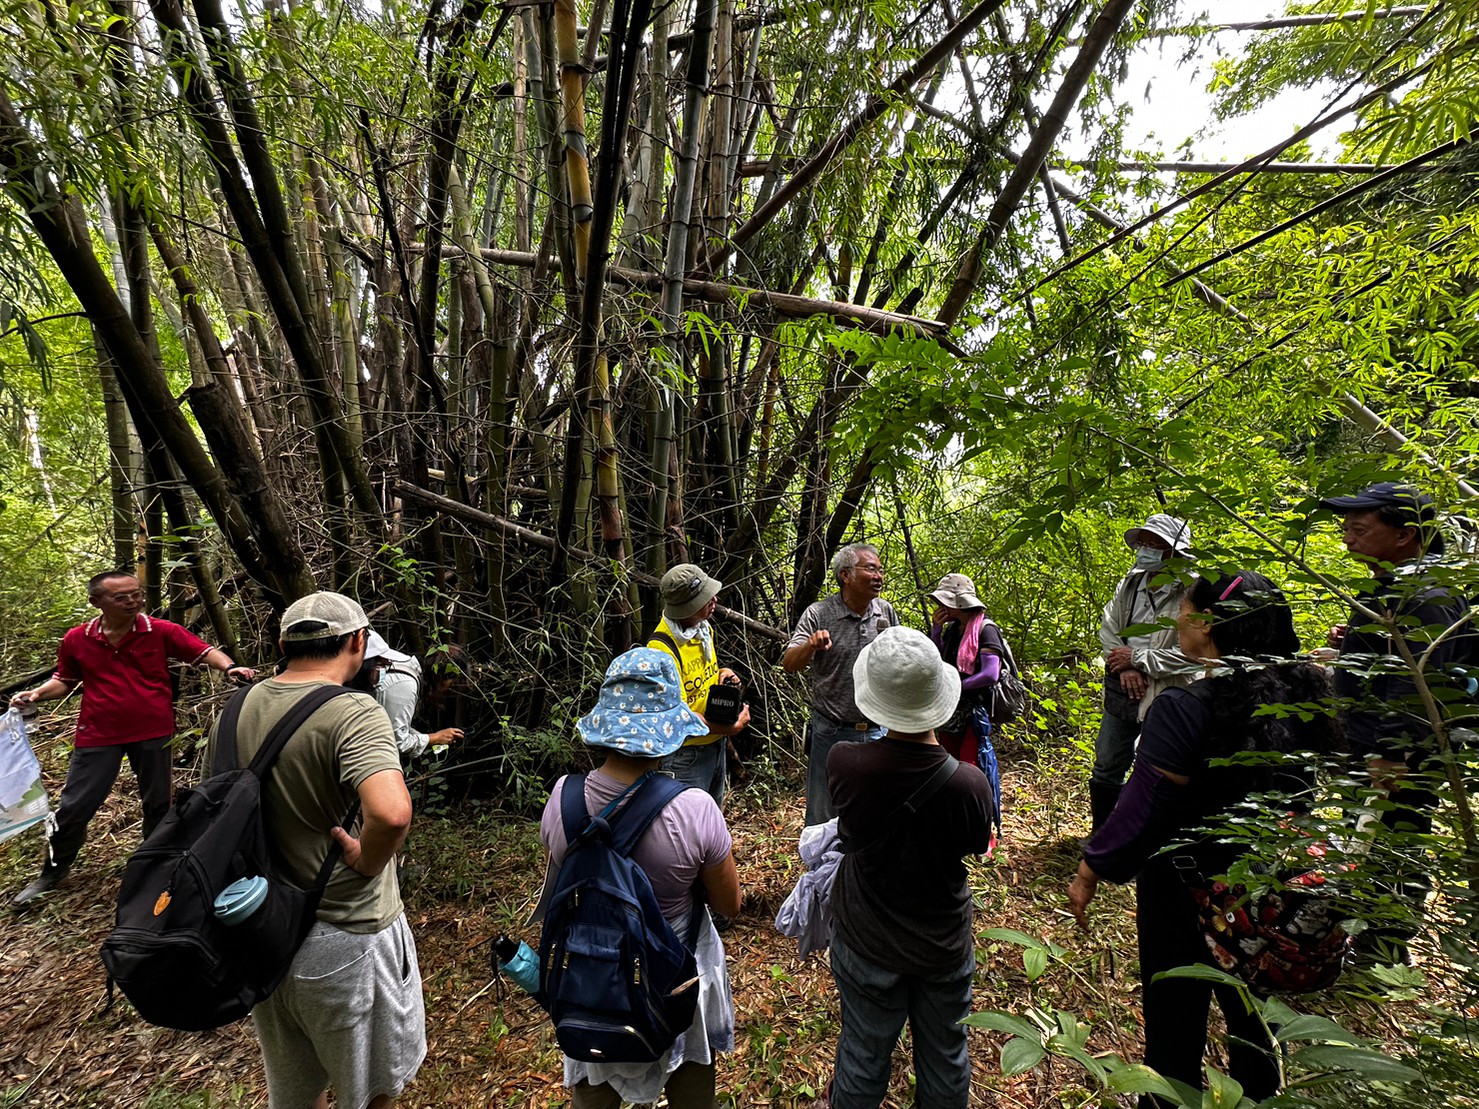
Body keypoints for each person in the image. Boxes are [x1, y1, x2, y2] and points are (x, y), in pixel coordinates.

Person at [1067, 571, 1338, 1105]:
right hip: (1271, 889)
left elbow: (1143, 804)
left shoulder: (1185, 707)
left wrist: (1091, 868)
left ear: (1209, 624)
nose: (1177, 620)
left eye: (1185, 610)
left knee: (1174, 1019)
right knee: (1255, 1022)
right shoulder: (1303, 696)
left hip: (1184, 889)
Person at [207, 591, 424, 1109]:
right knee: (370, 1089)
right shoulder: (353, 712)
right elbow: (392, 813)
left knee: (298, 1090)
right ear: (358, 641)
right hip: (346, 933)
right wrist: (367, 860)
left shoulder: (236, 709)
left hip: (262, 930)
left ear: (283, 645)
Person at [539, 648, 741, 1108]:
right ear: (668, 730)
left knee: (594, 1093)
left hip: (590, 979)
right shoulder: (695, 809)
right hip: (675, 980)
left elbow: (560, 888)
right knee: (692, 1087)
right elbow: (729, 905)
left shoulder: (562, 799)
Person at [7, 569, 255, 906]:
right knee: (74, 807)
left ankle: (154, 869)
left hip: (153, 731)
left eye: (136, 594)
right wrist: (37, 694)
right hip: (98, 733)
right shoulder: (77, 639)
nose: (132, 601)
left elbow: (204, 651)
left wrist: (229, 667)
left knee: (158, 804)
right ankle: (52, 872)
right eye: (121, 597)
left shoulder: (160, 630)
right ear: (96, 602)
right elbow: (65, 680)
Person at [825, 626, 995, 1109]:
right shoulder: (969, 785)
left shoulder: (845, 762)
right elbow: (974, 845)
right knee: (946, 1060)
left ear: (874, 698)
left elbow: (850, 829)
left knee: (862, 1058)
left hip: (867, 935)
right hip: (941, 940)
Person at [1317, 482, 1470, 952]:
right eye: (1345, 529)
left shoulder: (1426, 593)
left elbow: (1418, 680)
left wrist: (1392, 753)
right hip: (1372, 747)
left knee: (1391, 846)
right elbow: (1397, 661)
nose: (1348, 539)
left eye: (1360, 529)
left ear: (1405, 535)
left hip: (1400, 756)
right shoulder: (1395, 587)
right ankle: (1356, 941)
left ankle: (1384, 953)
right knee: (1365, 840)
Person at [1090, 514, 1195, 832]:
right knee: (1107, 761)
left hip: (1169, 692)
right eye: (1143, 542)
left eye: (1155, 543)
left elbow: (1195, 654)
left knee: (1157, 768)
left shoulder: (1193, 591)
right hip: (1123, 684)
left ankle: (1144, 837)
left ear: (1175, 550)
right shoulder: (1132, 582)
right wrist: (1125, 667)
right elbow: (1109, 628)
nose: (1145, 549)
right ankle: (1102, 834)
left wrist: (1139, 660)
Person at [782, 543, 899, 825]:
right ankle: (823, 856)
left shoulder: (885, 612)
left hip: (878, 730)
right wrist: (810, 645)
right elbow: (789, 663)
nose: (879, 576)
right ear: (845, 575)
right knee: (824, 814)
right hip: (831, 731)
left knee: (876, 811)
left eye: (881, 570)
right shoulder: (819, 613)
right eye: (870, 569)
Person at [647, 563, 751, 803]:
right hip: (685, 756)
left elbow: (701, 676)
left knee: (710, 818)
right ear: (687, 607)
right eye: (705, 598)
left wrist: (722, 674)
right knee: (686, 822)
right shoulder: (661, 650)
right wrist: (730, 729)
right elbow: (678, 716)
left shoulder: (702, 630)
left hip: (714, 745)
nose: (714, 600)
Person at [926, 573, 1005, 768]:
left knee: (969, 762)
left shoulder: (986, 630)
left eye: (945, 601)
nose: (941, 606)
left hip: (975, 709)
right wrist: (936, 630)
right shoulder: (954, 628)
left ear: (961, 603)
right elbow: (938, 659)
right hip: (952, 707)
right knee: (948, 761)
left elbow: (990, 674)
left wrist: (957, 686)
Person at [360, 630, 463, 759]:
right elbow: (397, 743)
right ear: (440, 677)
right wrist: (433, 738)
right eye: (450, 685)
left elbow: (393, 725)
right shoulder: (405, 685)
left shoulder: (405, 664)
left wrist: (429, 737)